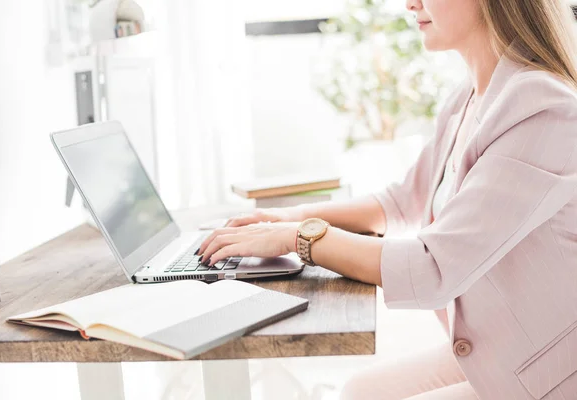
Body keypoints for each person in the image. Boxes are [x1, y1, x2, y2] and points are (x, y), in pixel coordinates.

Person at [197, 0, 577, 398]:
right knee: (359, 390)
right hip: (510, 348)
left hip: (553, 371)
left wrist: (300, 238)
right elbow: (402, 202)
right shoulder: (472, 94)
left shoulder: (541, 109)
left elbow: (433, 268)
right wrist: (290, 216)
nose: (410, 3)